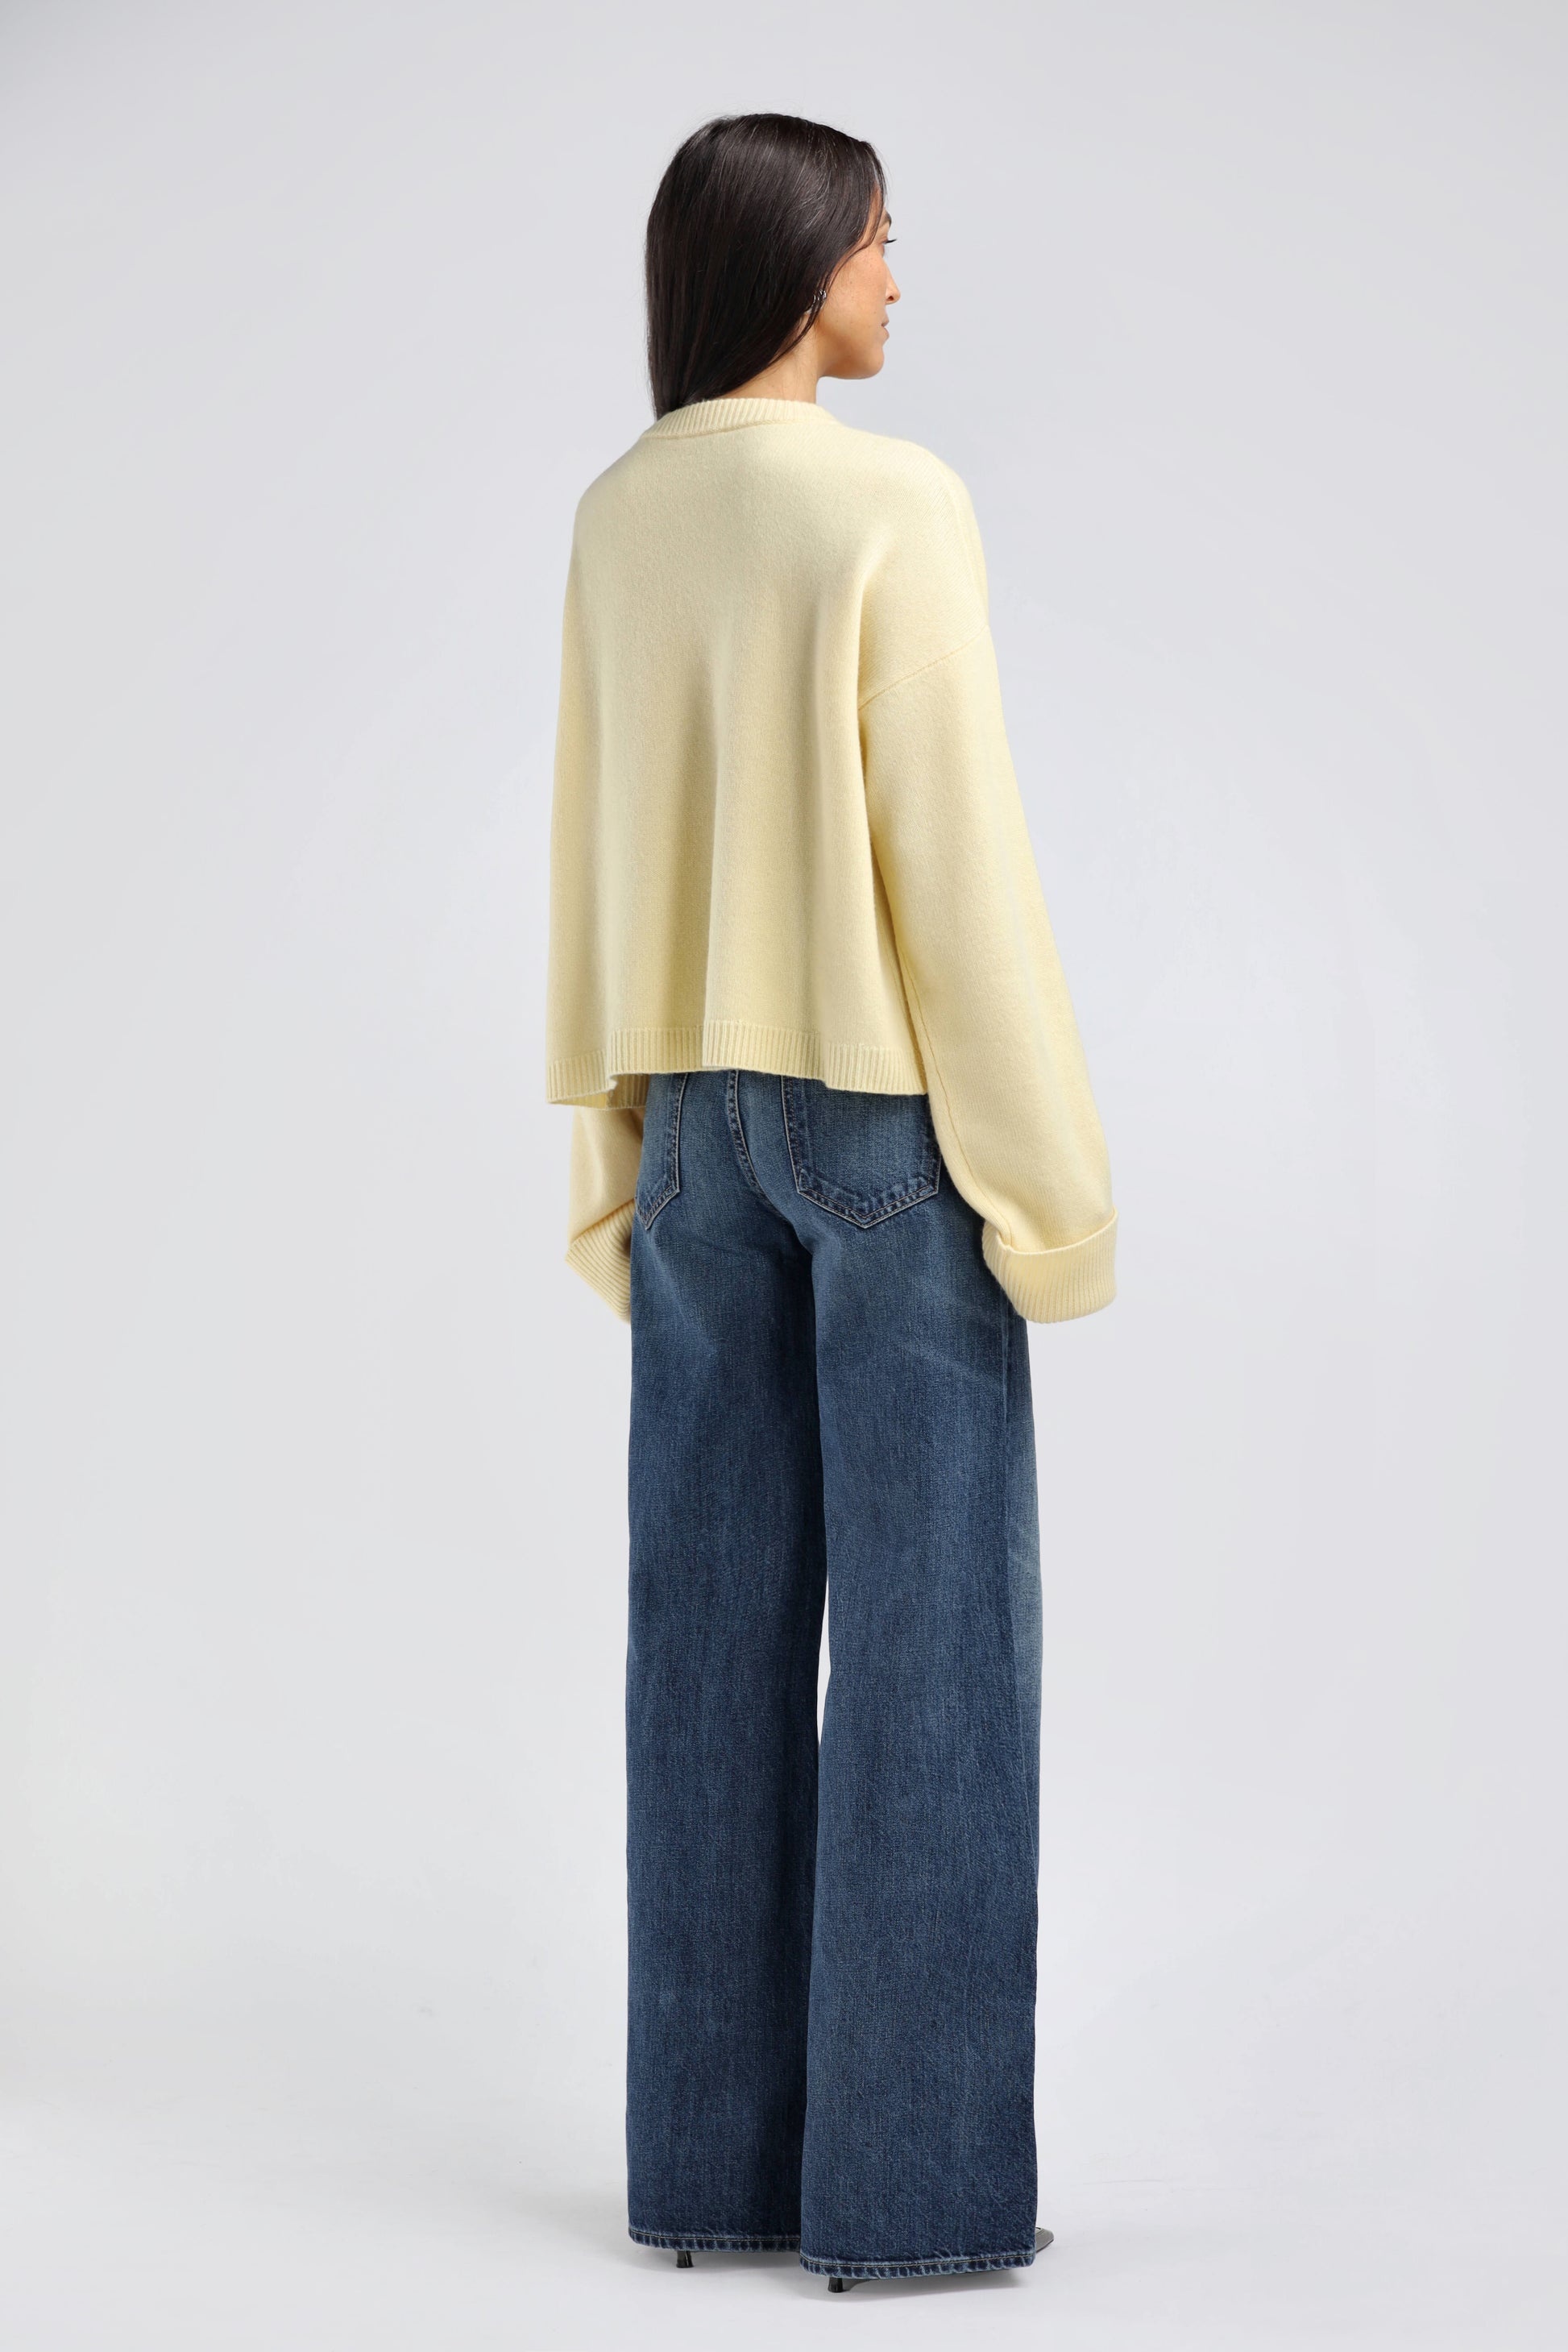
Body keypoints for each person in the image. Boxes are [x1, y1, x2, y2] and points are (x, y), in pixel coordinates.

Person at [545, 110, 1117, 2290]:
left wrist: (610, 1146)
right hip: (882, 1134)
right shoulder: (890, 502)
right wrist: (1049, 1189)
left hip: (688, 1116)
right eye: (879, 239)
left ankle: (706, 2174)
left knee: (700, 1642)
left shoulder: (621, 511)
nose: (897, 275)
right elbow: (952, 865)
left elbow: (595, 834)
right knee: (929, 1659)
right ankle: (915, 2201)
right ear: (800, 263)